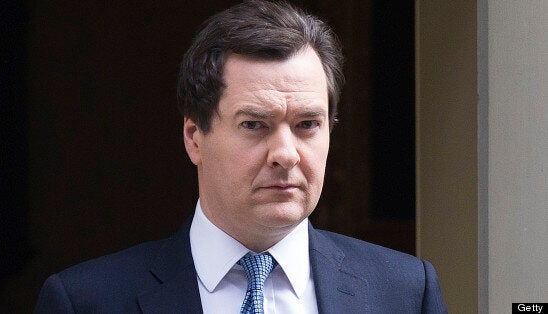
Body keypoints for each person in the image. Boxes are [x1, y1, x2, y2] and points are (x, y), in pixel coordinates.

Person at [34, 1, 447, 313]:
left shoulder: (404, 291)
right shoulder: (87, 301)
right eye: (254, 125)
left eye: (307, 124)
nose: (285, 154)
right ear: (194, 136)